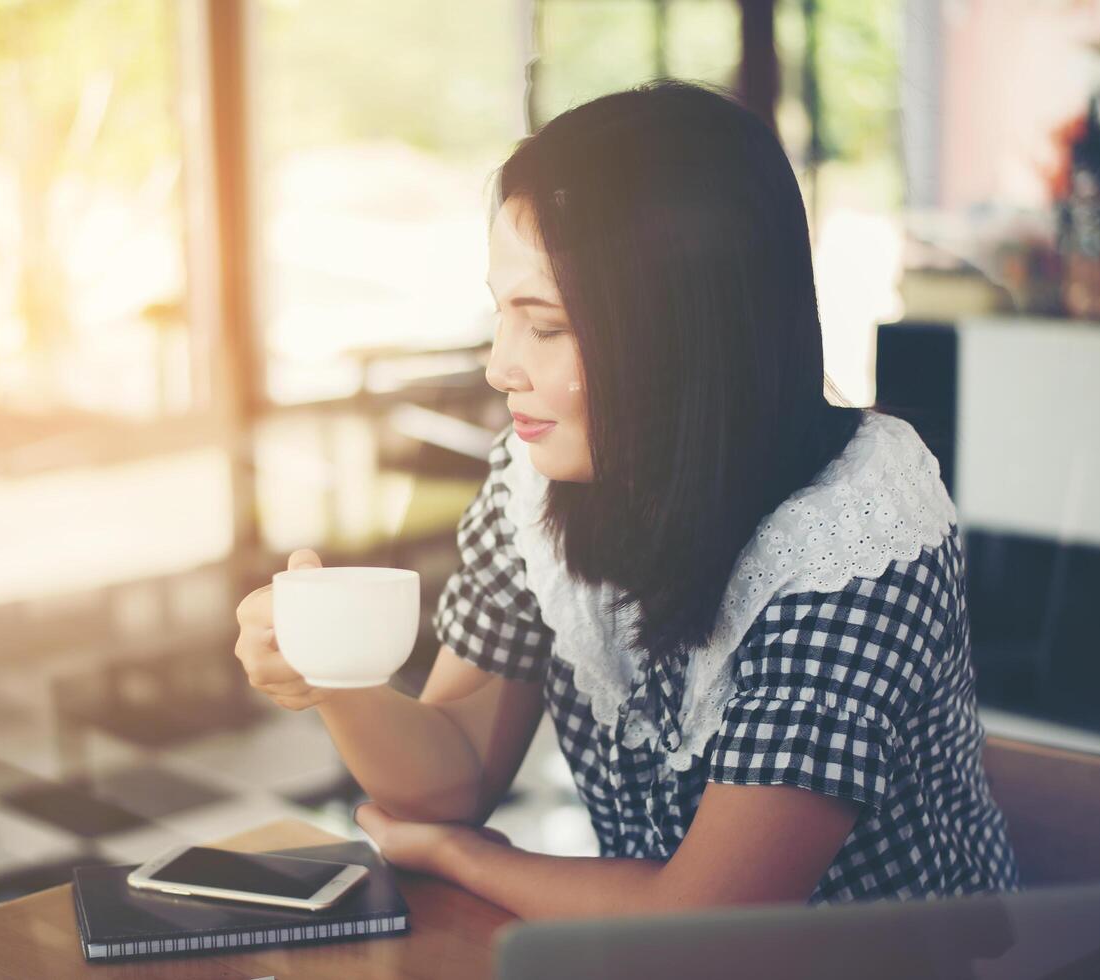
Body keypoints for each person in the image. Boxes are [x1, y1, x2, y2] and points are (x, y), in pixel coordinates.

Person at [232, 80, 1018, 920]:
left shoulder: (854, 542)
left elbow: (709, 922)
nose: (502, 367)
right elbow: (451, 776)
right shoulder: (540, 485)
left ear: (682, 333)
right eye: (503, 315)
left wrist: (464, 860)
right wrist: (331, 676)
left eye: (547, 326)